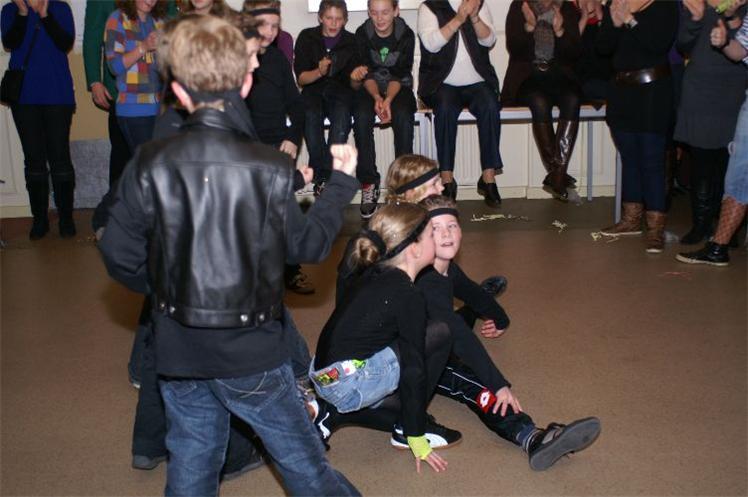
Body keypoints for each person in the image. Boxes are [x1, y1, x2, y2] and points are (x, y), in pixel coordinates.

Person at [97, 14, 360, 496]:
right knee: (305, 467)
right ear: (244, 84)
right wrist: (340, 185)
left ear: (178, 92)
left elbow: (118, 252)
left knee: (192, 467)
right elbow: (309, 245)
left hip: (178, 350)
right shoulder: (267, 167)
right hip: (251, 354)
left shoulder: (149, 162)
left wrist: (169, 288)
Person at [416, 195, 602, 471]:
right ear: (420, 237)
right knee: (472, 383)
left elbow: (470, 291)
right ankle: (532, 438)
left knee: (459, 313)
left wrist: (500, 318)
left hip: (437, 327)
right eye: (435, 228)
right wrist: (498, 384)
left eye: (452, 225)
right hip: (413, 357)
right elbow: (460, 337)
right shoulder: (426, 282)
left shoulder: (445, 268)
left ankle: (480, 304)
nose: (446, 234)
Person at [311, 203, 458, 474]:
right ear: (414, 249)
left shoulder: (373, 270)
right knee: (439, 333)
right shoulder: (408, 295)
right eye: (430, 234)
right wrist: (416, 434)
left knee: (404, 340)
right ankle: (403, 427)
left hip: (323, 374)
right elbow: (414, 369)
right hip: (347, 383)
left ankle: (329, 408)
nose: (437, 238)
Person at [242, 0, 316, 295]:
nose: (270, 32)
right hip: (246, 148)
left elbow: (297, 106)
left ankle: (291, 270)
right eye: (263, 25)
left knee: (284, 213)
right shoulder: (234, 60)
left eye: (275, 26)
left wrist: (293, 137)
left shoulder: (277, 60)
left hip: (278, 145)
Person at [596, 0, 679, 253]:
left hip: (653, 90)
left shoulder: (664, 5)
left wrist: (630, 20)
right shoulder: (616, 3)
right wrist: (614, 23)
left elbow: (658, 44)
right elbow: (602, 47)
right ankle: (630, 220)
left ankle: (655, 229)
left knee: (652, 160)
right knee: (629, 158)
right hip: (621, 90)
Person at [677, 9, 748, 266]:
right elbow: (740, 51)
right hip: (718, 92)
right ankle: (717, 243)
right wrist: (724, 40)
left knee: (735, 171)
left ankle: (722, 240)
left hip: (733, 88)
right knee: (736, 175)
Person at [1, 0, 76, 239]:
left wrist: (45, 15)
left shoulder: (60, 8)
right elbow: (10, 42)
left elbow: (65, 43)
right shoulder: (9, 10)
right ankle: (40, 219)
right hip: (24, 98)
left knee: (60, 158)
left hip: (58, 95)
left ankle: (66, 218)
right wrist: (23, 13)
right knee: (34, 160)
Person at [417, 0, 503, 207]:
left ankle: (488, 178)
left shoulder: (479, 4)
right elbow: (431, 44)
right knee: (445, 109)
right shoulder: (429, 7)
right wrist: (458, 19)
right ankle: (447, 178)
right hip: (442, 83)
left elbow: (489, 40)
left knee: (490, 105)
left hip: (477, 82)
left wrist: (474, 17)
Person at [502, 0, 583, 202]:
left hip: (559, 76)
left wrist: (560, 31)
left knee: (573, 99)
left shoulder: (567, 9)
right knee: (539, 102)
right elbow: (515, 49)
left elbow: (574, 54)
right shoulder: (520, 6)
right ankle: (558, 173)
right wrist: (529, 27)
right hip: (528, 77)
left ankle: (556, 174)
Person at [351, 0, 417, 218]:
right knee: (361, 116)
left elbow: (399, 74)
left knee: (404, 115)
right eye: (374, 13)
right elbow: (367, 74)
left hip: (399, 87)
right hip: (370, 88)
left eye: (385, 13)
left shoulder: (406, 35)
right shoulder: (362, 33)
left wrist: (387, 100)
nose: (379, 18)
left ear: (396, 11)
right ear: (369, 12)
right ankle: (369, 183)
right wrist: (377, 97)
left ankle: (403, 185)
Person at [294, 0, 359, 195]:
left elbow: (354, 86)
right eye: (329, 18)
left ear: (345, 20)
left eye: (339, 19)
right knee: (310, 115)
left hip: (341, 91)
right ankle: (322, 175)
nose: (334, 23)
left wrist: (356, 78)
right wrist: (319, 72)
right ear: (320, 17)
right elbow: (301, 79)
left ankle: (326, 177)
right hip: (312, 88)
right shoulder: (307, 37)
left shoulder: (352, 41)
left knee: (341, 117)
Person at [104, 0, 167, 155]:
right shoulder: (118, 19)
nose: (151, 1)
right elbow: (114, 66)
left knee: (157, 164)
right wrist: (143, 47)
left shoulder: (159, 22)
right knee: (147, 163)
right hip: (133, 108)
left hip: (160, 108)